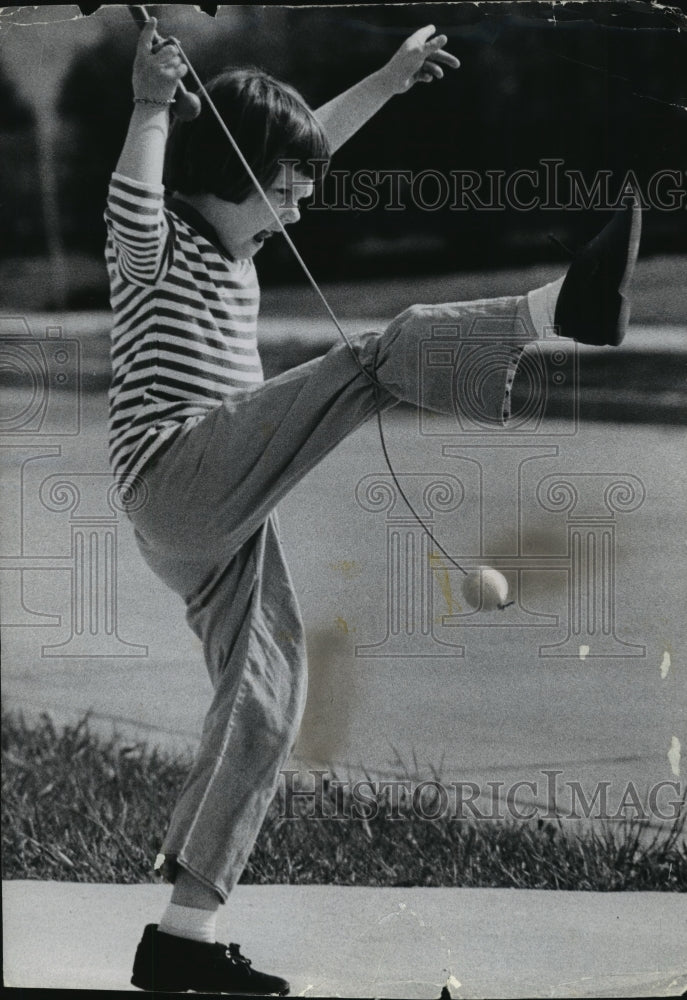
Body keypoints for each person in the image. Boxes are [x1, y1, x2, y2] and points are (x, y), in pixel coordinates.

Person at [106, 17, 641, 996]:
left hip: (213, 522)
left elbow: (304, 134)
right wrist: (147, 104)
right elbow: (146, 186)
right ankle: (557, 311)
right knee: (377, 355)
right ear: (235, 175)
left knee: (269, 702)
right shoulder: (158, 247)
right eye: (287, 194)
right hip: (182, 474)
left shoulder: (238, 246)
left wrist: (389, 83)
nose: (297, 217)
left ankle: (178, 937)